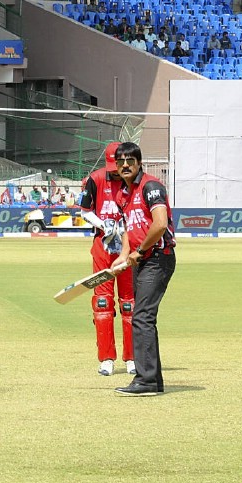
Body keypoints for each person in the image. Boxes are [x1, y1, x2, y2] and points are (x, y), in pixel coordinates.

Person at [111, 142, 176, 396]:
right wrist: (124, 255)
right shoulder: (122, 195)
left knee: (141, 317)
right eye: (120, 161)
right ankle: (153, 380)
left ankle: (146, 381)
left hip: (158, 257)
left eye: (130, 160)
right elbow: (129, 228)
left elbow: (159, 224)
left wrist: (139, 252)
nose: (125, 165)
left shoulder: (151, 187)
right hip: (142, 259)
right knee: (144, 318)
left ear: (139, 163)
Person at [79, 142, 135, 377]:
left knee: (129, 303)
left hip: (128, 244)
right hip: (103, 245)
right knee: (102, 303)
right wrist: (104, 224)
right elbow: (84, 210)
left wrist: (122, 228)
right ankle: (106, 359)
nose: (116, 170)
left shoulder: (135, 180)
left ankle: (132, 358)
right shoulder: (95, 179)